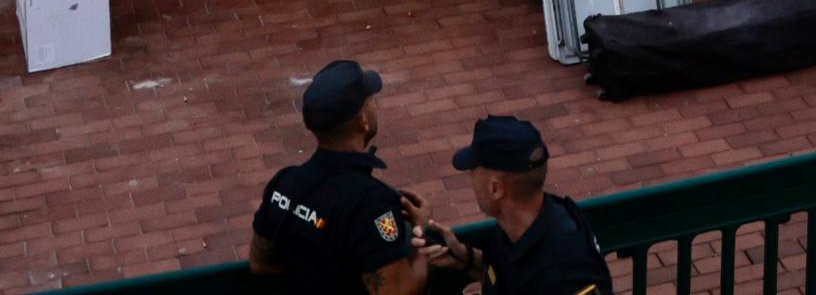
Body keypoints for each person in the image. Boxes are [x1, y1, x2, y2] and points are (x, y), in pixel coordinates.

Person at [253, 59, 432, 295]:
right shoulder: (373, 204)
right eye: (371, 101)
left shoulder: (283, 185)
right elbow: (397, 291)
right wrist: (423, 230)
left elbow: (259, 264)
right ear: (363, 121)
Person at [440, 118, 604, 295]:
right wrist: (464, 258)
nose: (470, 179)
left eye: (473, 171)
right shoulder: (514, 227)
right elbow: (506, 277)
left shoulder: (567, 265)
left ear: (495, 189)